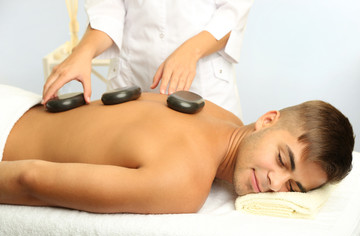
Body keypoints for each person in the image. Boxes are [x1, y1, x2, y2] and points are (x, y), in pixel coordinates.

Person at [0, 85, 354, 214]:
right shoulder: (183, 185)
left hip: (17, 99)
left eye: (293, 188)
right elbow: (32, 179)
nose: (276, 185)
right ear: (266, 120)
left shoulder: (222, 115)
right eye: (282, 160)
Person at [42, 0, 254, 117]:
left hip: (204, 84)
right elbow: (108, 11)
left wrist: (191, 51)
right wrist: (83, 53)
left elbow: (233, 12)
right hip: (133, 78)